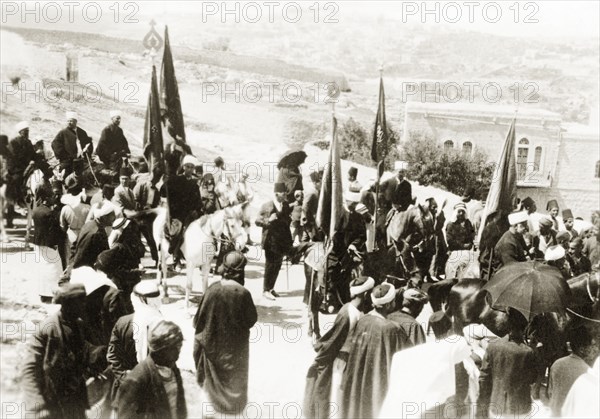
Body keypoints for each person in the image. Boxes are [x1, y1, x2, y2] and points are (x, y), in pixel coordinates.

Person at [21, 283, 105, 419]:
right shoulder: (47, 329)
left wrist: (94, 362)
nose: (84, 305)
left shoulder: (79, 324)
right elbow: (30, 367)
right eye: (80, 302)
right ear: (67, 304)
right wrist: (36, 404)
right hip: (52, 398)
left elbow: (82, 351)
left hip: (75, 397)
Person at [193, 250, 257, 414]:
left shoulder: (212, 290)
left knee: (210, 398)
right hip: (235, 355)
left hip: (212, 352)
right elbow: (251, 320)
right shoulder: (243, 293)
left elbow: (197, 322)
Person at [304, 276, 375, 419]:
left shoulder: (356, 310)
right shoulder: (348, 313)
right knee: (336, 401)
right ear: (366, 294)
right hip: (341, 363)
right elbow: (334, 341)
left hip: (349, 361)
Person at [341, 283, 413, 419]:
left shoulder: (362, 320)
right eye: (393, 302)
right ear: (387, 305)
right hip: (377, 385)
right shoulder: (392, 329)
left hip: (359, 382)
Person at [107, 281, 163, 410]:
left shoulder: (123, 322)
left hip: (126, 388)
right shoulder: (162, 325)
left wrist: (124, 377)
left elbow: (112, 355)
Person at [477, 308, 540, 418]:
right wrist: (534, 349)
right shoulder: (527, 351)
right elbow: (532, 378)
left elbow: (483, 377)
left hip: (496, 405)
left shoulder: (492, 346)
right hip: (520, 408)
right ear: (525, 327)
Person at [117, 320, 187, 419]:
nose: (179, 351)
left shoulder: (172, 368)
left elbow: (179, 405)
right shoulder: (136, 380)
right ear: (162, 349)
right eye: (177, 347)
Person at [548, 324, 599, 417]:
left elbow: (550, 393)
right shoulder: (588, 372)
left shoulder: (557, 364)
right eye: (593, 345)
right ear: (582, 349)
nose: (596, 349)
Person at [161, 154, 202, 265]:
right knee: (178, 232)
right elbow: (164, 193)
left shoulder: (195, 184)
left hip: (190, 214)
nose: (189, 169)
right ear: (183, 167)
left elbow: (198, 201)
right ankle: (173, 254)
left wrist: (197, 210)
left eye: (192, 167)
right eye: (187, 166)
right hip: (177, 214)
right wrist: (165, 183)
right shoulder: (175, 180)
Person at [255, 182, 293, 300]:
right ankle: (265, 290)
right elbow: (257, 221)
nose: (285, 195)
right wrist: (269, 220)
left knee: (278, 265)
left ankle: (271, 288)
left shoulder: (285, 205)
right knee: (270, 265)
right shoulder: (267, 205)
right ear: (277, 193)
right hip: (270, 240)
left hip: (282, 241)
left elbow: (287, 222)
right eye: (283, 193)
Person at [32, 184, 64, 302]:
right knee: (54, 269)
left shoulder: (36, 210)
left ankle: (43, 292)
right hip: (49, 244)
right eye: (51, 196)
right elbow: (54, 231)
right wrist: (55, 244)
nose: (53, 198)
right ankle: (51, 293)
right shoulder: (49, 213)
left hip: (38, 242)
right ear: (46, 198)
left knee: (42, 268)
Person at [71, 202, 116, 269]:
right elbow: (103, 258)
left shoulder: (89, 224)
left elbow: (74, 246)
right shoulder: (98, 234)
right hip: (87, 271)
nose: (114, 217)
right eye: (112, 215)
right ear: (104, 217)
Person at [51, 112, 93, 177]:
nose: (69, 123)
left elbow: (89, 143)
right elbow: (55, 144)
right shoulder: (63, 132)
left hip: (80, 160)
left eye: (71, 121)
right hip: (67, 161)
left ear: (76, 122)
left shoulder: (82, 132)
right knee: (65, 177)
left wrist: (88, 151)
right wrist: (64, 156)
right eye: (68, 121)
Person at [301, 169, 324, 242]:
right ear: (314, 183)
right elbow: (305, 207)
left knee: (305, 240)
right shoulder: (311, 193)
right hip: (309, 222)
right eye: (318, 182)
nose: (320, 184)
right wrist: (307, 222)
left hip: (313, 221)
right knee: (314, 240)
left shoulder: (318, 191)